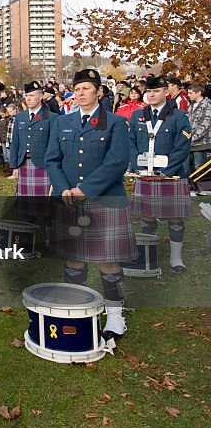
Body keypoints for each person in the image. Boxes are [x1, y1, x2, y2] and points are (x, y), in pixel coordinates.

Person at [44, 68, 134, 338]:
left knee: (108, 260)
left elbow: (117, 162)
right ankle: (77, 307)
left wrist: (85, 189)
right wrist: (63, 190)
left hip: (105, 199)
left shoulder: (116, 122)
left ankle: (115, 316)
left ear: (99, 91)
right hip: (70, 200)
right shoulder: (62, 122)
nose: (80, 93)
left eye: (86, 88)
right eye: (77, 89)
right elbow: (52, 160)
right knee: (75, 258)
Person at [127, 75, 193, 273]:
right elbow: (130, 142)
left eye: (156, 91)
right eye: (148, 91)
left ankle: (176, 257)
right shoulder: (138, 115)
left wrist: (166, 171)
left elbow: (183, 147)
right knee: (147, 216)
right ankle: (149, 256)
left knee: (175, 217)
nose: (152, 94)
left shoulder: (179, 116)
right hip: (144, 174)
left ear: (166, 92)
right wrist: (137, 166)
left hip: (171, 175)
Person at [9, 81, 55, 216]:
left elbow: (54, 146)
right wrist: (14, 165)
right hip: (23, 164)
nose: (28, 98)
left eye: (32, 95)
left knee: (45, 206)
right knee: (26, 207)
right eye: (27, 95)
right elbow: (15, 143)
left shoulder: (52, 118)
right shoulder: (20, 117)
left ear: (41, 96)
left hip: (43, 165)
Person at [187, 82, 210, 176]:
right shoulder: (191, 106)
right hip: (190, 143)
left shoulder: (207, 106)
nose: (188, 95)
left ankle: (201, 187)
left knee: (199, 167)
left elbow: (205, 125)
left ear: (199, 93)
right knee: (188, 167)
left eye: (191, 93)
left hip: (202, 143)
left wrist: (193, 138)